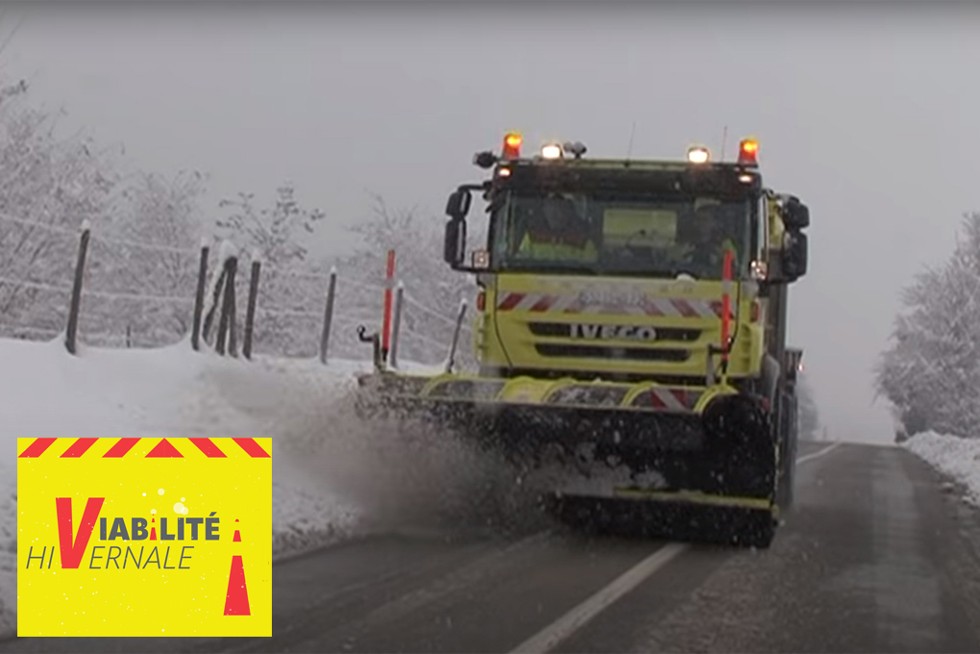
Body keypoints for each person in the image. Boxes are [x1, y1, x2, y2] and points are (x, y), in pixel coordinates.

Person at [516, 193, 597, 261]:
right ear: (545, 212)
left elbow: (593, 269)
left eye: (560, 210)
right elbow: (520, 263)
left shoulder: (583, 241)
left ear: (569, 213)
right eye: (552, 211)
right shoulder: (532, 237)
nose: (555, 215)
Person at [683, 202, 739, 275]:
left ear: (714, 223)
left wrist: (720, 257)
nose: (701, 223)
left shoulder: (725, 244)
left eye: (705, 220)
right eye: (698, 219)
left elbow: (733, 268)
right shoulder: (688, 243)